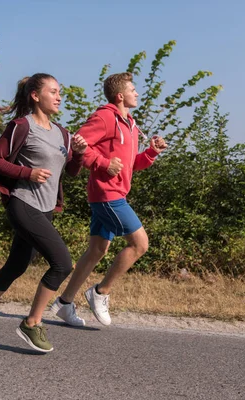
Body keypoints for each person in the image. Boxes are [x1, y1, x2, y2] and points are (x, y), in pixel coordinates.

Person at [0, 73, 87, 353]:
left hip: (45, 209)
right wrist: (26, 172)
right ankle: (31, 323)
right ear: (35, 95)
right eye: (53, 91)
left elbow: (72, 172)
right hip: (23, 203)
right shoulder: (21, 126)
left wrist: (77, 154)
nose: (59, 97)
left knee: (17, 265)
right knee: (63, 264)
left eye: (59, 92)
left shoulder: (62, 133)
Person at [49, 72, 167, 327]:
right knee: (139, 245)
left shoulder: (131, 124)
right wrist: (102, 163)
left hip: (115, 193)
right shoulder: (105, 117)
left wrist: (151, 153)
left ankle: (65, 303)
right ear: (120, 95)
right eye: (133, 89)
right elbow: (77, 145)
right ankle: (101, 292)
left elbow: (130, 165)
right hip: (107, 195)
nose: (137, 93)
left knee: (97, 250)